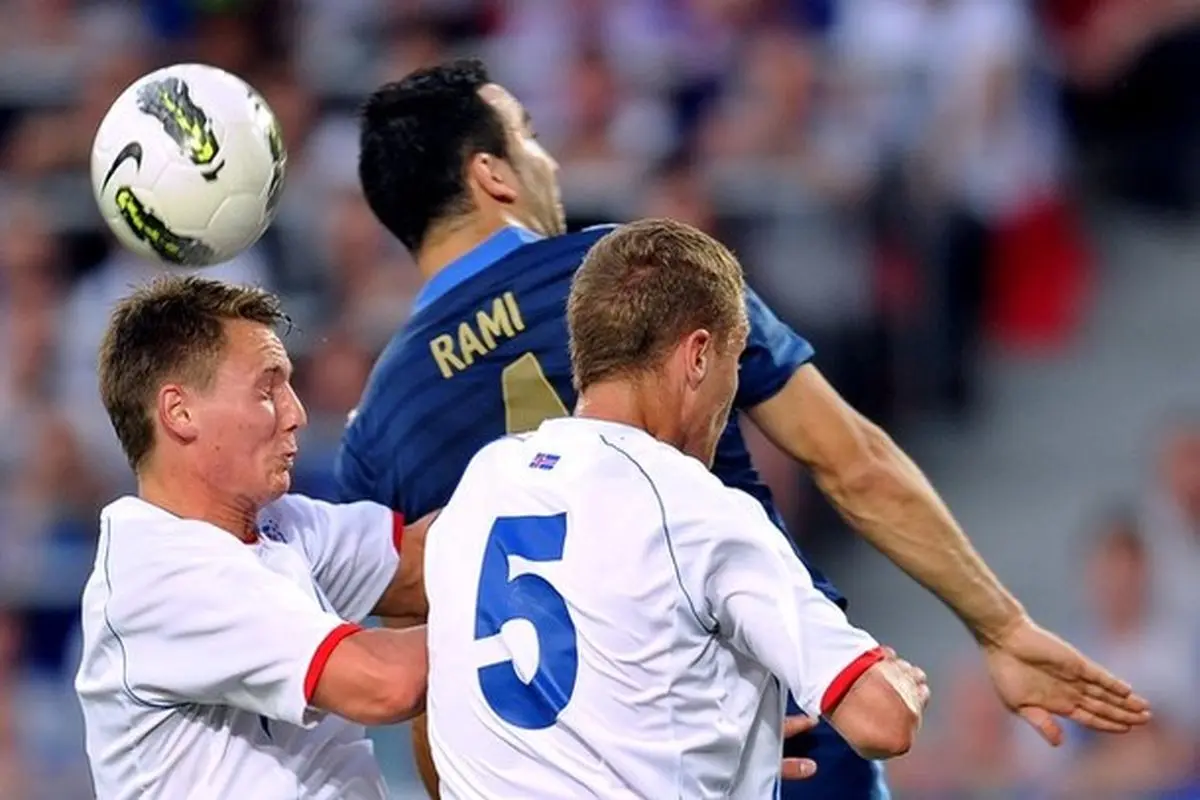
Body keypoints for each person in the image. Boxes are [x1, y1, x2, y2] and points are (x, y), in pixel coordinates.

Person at [338, 59, 1151, 798]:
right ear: (491, 174)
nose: (548, 161)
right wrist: (1000, 626)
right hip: (779, 726)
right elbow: (852, 462)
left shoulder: (378, 422)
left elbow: (432, 686)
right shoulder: (631, 275)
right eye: (530, 137)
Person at [423, 218, 931, 798]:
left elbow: (550, 672)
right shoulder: (695, 507)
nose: (730, 398)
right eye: (734, 365)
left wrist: (730, 746)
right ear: (698, 355)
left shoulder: (483, 480)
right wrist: (899, 683)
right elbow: (880, 722)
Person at [75, 276, 432, 800]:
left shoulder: (276, 524)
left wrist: (534, 490)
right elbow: (386, 683)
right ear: (179, 412)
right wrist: (530, 614)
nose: (296, 415)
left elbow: (425, 561)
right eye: (267, 391)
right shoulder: (161, 576)